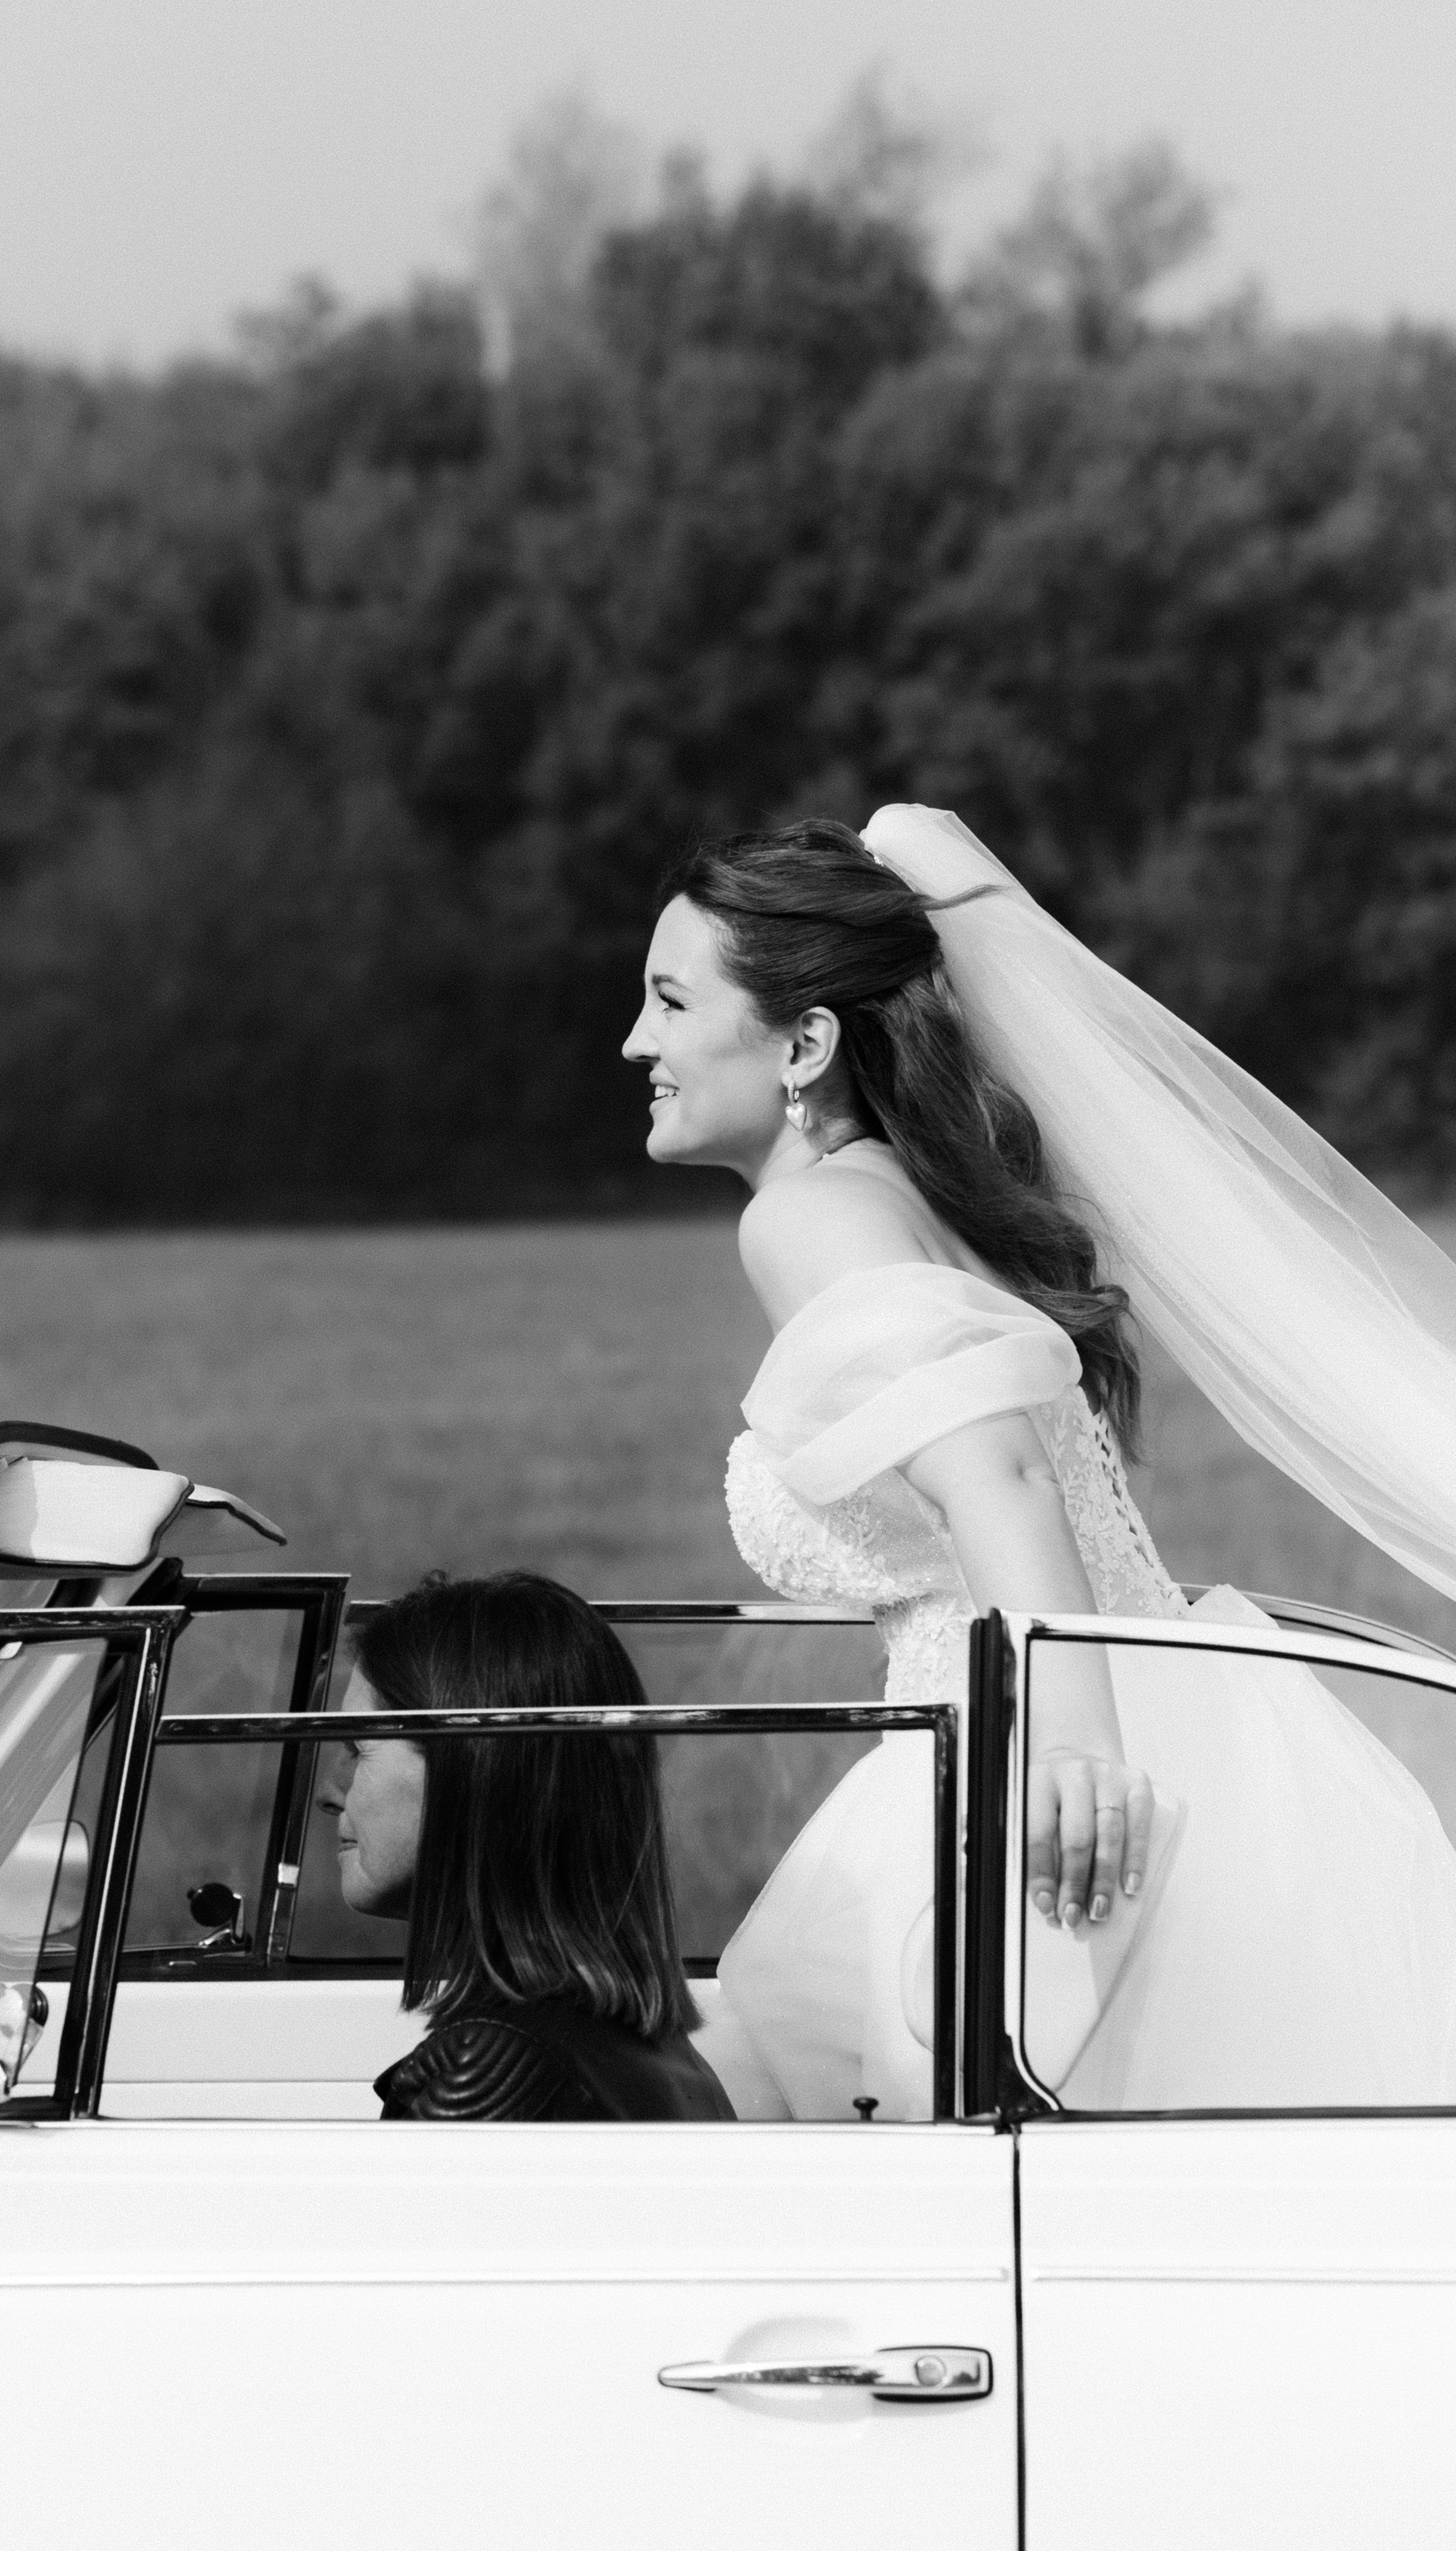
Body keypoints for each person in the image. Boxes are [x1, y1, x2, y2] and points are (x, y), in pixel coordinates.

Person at [623, 804, 1456, 2120]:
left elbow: (995, 1474)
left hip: (1040, 1756)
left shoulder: (807, 1219)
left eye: (671, 1002)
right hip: (1181, 1725)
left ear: (805, 1044)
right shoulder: (927, 1202)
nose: (637, 1041)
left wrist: (1068, 1751)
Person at [318, 1570, 735, 2123]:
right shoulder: (663, 2055)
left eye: (358, 1747)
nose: (329, 1792)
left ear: (474, 1772)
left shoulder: (491, 2063)